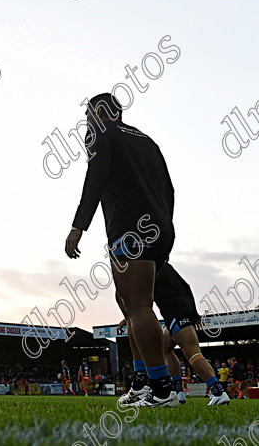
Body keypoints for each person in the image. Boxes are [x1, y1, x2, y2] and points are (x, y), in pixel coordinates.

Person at [65, 93, 178, 408]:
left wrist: (79, 226)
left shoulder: (101, 132)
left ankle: (161, 388)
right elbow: (169, 189)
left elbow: (95, 177)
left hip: (129, 229)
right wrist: (164, 226)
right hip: (158, 228)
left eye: (88, 113)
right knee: (128, 305)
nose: (86, 119)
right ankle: (143, 380)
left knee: (139, 306)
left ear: (101, 112)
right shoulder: (147, 140)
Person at [116, 262, 229, 406]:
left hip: (175, 312)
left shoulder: (147, 266)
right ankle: (178, 391)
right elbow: (186, 287)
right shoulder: (165, 266)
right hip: (182, 309)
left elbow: (141, 299)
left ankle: (218, 392)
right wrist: (194, 313)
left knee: (193, 354)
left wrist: (132, 317)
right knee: (166, 349)